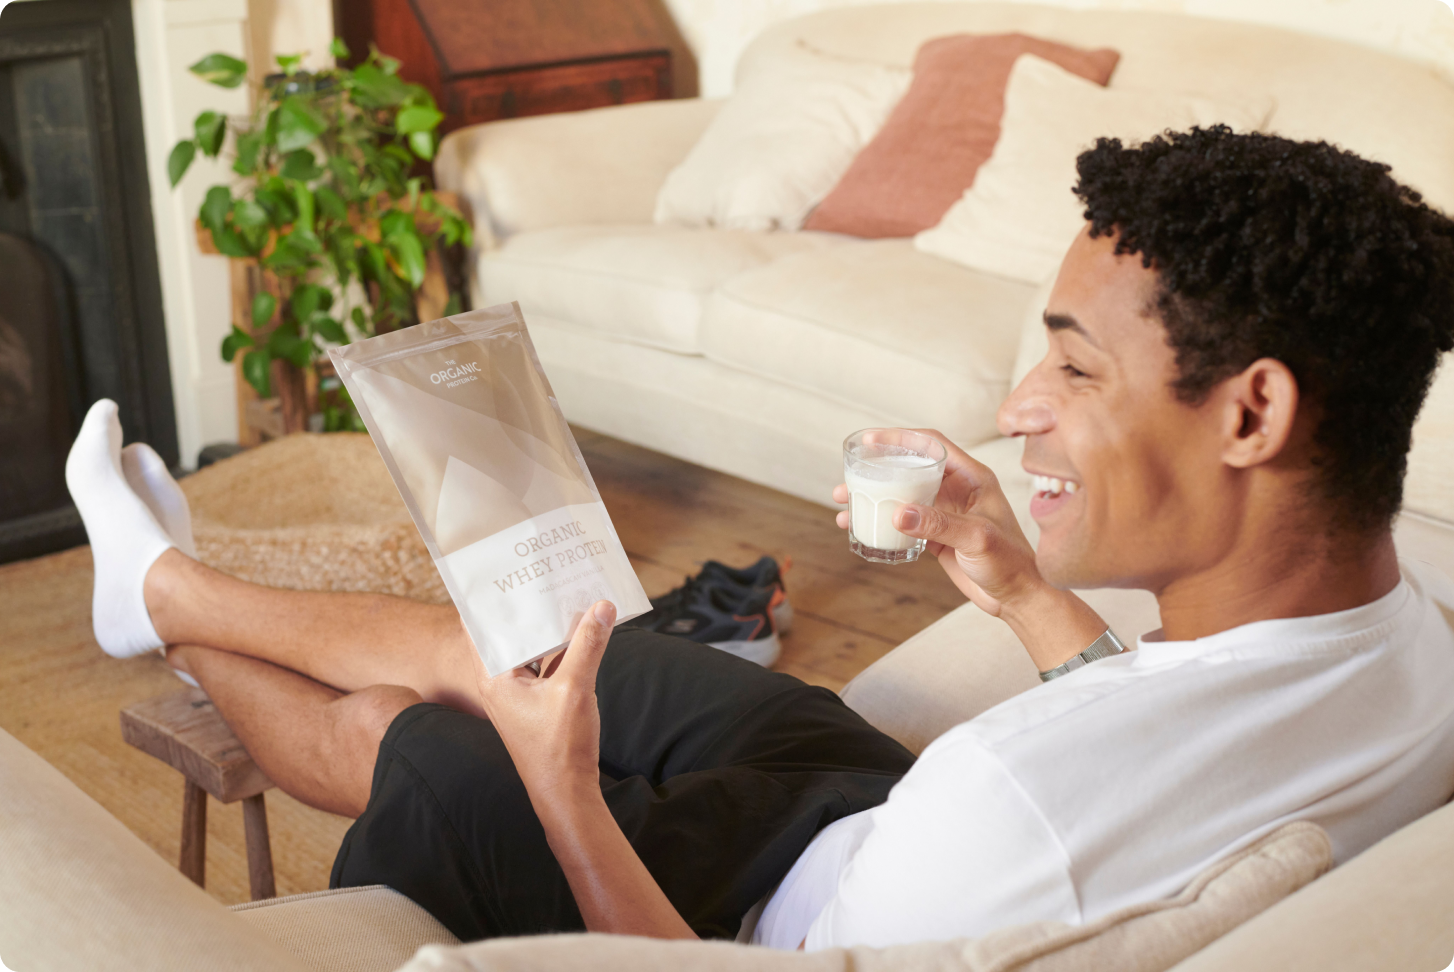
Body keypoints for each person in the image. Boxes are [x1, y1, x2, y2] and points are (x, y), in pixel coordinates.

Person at [64, 126, 1454, 951]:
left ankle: (164, 612)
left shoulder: (1002, 818)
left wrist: (562, 792)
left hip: (742, 908)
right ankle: (167, 584)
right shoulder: (1408, 646)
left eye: (1076, 371)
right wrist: (1025, 598)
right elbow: (1156, 749)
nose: (1020, 411)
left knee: (428, 736)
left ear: (1252, 411)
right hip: (867, 809)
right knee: (541, 647)